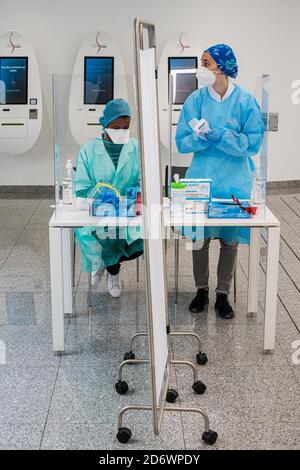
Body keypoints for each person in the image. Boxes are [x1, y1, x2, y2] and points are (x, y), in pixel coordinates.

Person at [175, 44, 264, 319]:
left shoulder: (246, 101)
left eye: (207, 63)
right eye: (201, 62)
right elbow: (181, 142)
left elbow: (252, 144)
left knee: (229, 240)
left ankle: (222, 295)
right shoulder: (196, 100)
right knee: (199, 238)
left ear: (223, 68)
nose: (202, 68)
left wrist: (222, 135)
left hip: (234, 182)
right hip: (202, 180)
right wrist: (201, 137)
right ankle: (202, 290)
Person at [74, 99, 143, 298]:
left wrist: (133, 195)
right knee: (104, 232)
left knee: (143, 236)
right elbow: (81, 186)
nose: (121, 131)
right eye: (116, 127)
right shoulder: (88, 150)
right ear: (105, 124)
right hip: (98, 211)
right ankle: (110, 268)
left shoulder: (137, 148)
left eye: (126, 127)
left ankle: (109, 265)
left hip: (127, 211)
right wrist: (99, 197)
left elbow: (143, 180)